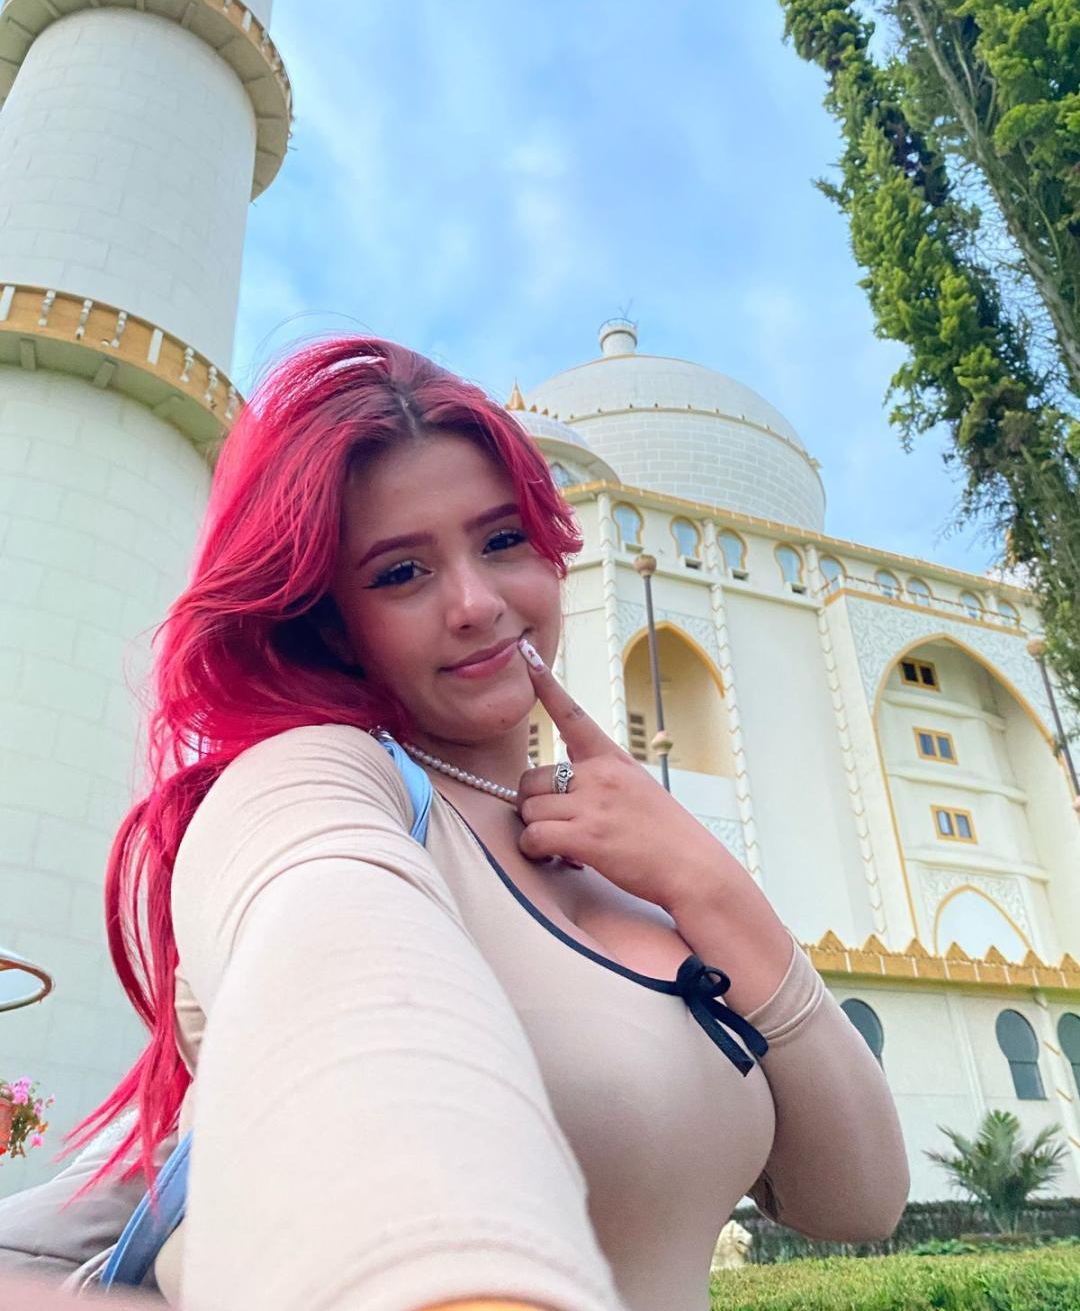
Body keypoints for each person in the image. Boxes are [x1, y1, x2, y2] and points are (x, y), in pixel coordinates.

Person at [31, 338, 909, 1308]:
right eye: (402, 572)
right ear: (329, 620)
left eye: (502, 542)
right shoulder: (318, 783)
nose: (476, 604)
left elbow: (857, 1199)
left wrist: (708, 882)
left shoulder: (632, 859)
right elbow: (338, 977)